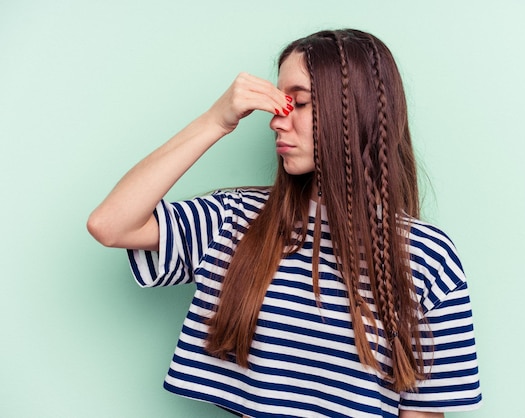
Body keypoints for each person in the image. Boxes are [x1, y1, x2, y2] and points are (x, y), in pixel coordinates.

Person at [88, 29, 482, 418]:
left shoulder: (425, 256)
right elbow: (111, 224)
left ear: (355, 110)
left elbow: (424, 411)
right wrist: (215, 121)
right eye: (279, 102)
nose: (277, 120)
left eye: (301, 102)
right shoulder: (236, 219)